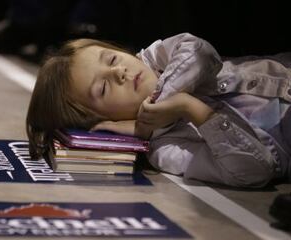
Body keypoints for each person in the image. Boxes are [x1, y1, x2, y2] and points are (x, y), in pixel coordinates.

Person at [26, 33, 291, 188]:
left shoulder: (155, 58)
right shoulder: (164, 149)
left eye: (112, 59)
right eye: (103, 88)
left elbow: (200, 52)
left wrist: (153, 108)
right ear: (104, 121)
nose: (120, 72)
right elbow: (254, 170)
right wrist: (189, 108)